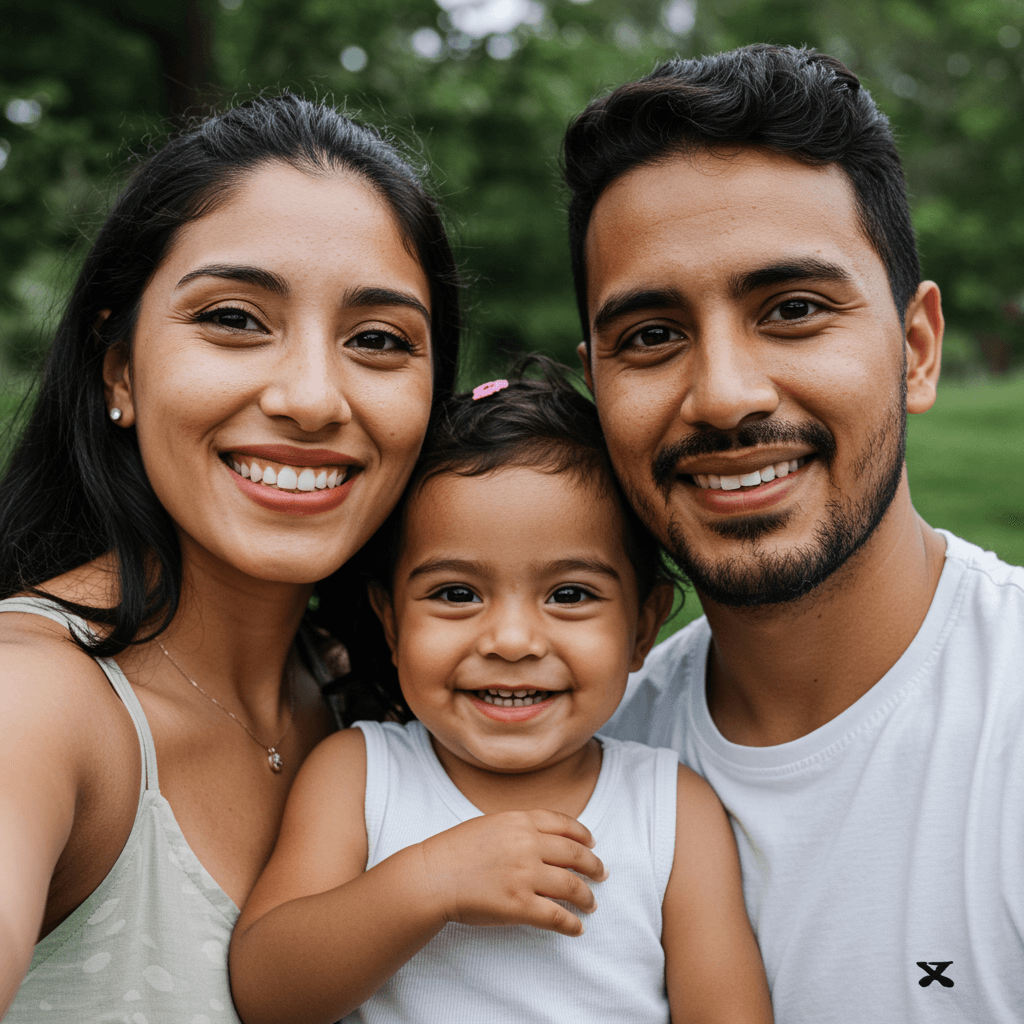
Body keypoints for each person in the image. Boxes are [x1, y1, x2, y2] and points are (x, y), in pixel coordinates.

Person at [561, 42, 1024, 1023]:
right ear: (595, 382)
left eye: (794, 310)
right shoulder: (572, 758)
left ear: (915, 350)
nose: (724, 395)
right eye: (651, 335)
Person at [0, 93, 460, 1021]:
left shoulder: (384, 697)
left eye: (377, 340)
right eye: (236, 319)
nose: (312, 399)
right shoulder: (35, 700)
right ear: (119, 369)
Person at [227, 365, 774, 1024]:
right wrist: (429, 882)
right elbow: (266, 994)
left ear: (642, 628)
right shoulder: (360, 775)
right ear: (392, 624)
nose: (512, 641)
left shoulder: (671, 810)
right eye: (457, 593)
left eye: (569, 594)